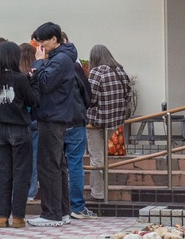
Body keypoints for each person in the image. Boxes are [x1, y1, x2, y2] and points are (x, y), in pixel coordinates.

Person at [27, 22, 80, 228]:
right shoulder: (62, 57)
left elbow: (46, 83)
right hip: (55, 115)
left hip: (52, 116)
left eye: (42, 41)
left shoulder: (61, 59)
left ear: (54, 40)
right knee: (58, 166)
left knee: (48, 166)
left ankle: (51, 214)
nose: (39, 46)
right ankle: (63, 212)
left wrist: (39, 64)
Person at [0, 41, 39, 229]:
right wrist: (33, 80)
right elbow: (33, 100)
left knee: (4, 174)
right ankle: (18, 217)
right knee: (21, 174)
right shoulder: (19, 79)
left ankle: (1, 216)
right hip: (19, 129)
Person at [86, 44, 131, 202]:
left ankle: (98, 193)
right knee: (103, 155)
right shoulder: (120, 71)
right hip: (115, 120)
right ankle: (102, 189)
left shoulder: (96, 72)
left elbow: (90, 98)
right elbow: (127, 95)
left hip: (96, 121)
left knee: (96, 157)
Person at [61, 32, 94, 220]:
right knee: (74, 164)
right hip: (75, 120)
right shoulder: (74, 66)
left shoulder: (46, 65)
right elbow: (86, 92)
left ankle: (58, 206)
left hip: (53, 123)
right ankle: (77, 206)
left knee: (55, 166)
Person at [19, 42, 39, 202]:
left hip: (18, 123)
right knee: (33, 158)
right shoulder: (36, 73)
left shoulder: (16, 75)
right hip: (35, 121)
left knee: (19, 159)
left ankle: (19, 190)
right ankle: (31, 192)